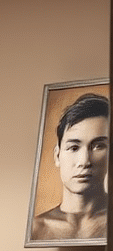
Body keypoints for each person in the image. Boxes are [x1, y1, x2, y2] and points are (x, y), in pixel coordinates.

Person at [32, 92, 109, 241]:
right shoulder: (37, 228)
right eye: (73, 147)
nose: (84, 161)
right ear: (57, 156)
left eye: (99, 146)